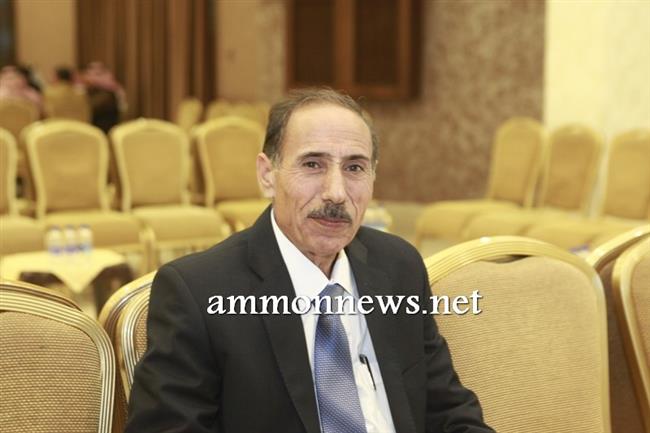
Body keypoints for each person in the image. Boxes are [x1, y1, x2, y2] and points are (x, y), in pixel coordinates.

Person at [126, 88, 494, 433]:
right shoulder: (199, 292)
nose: (336, 193)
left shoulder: (399, 267)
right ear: (267, 175)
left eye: (354, 168)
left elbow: (449, 411)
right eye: (313, 164)